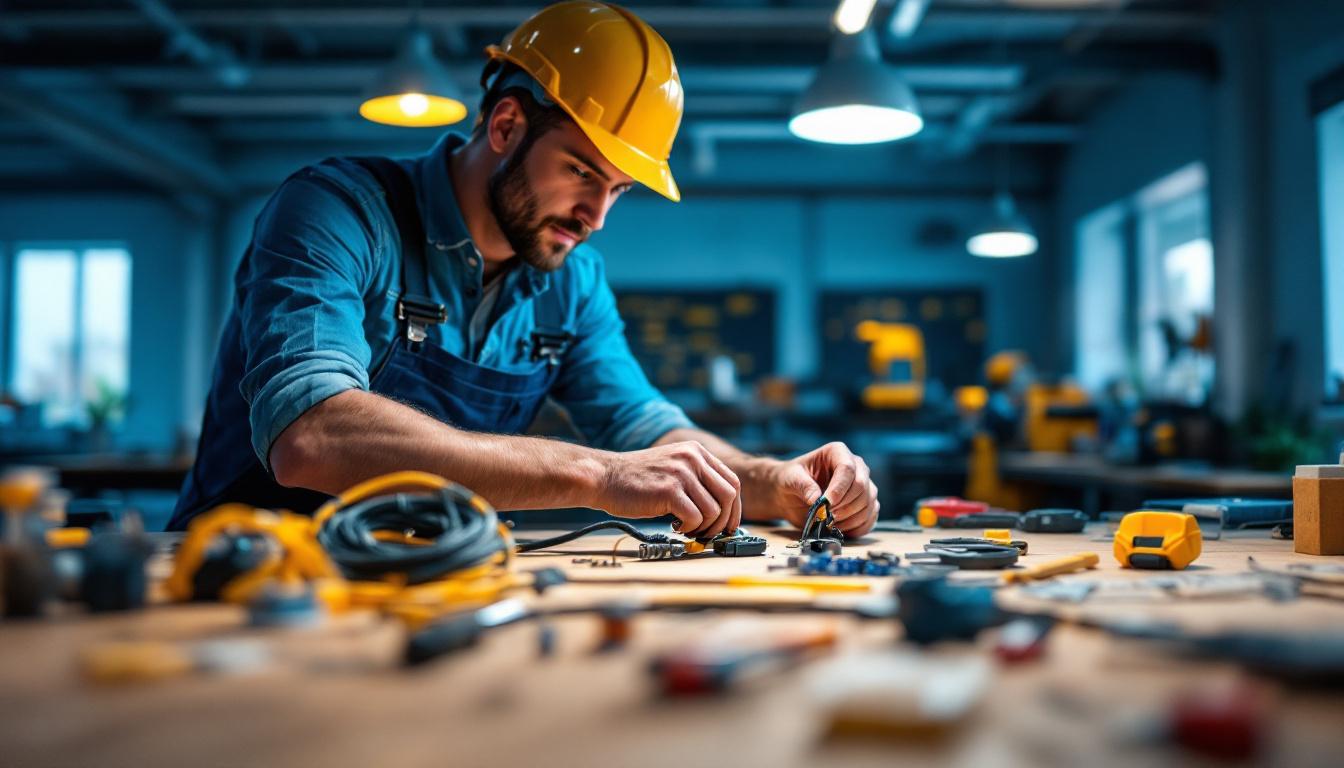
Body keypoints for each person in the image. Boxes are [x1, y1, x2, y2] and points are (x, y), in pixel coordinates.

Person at [169, 0, 880, 540]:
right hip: (244, 575)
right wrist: (598, 474)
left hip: (428, 575)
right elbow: (311, 435)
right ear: (506, 127)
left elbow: (644, 427)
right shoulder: (335, 212)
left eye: (618, 189)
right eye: (579, 170)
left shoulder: (572, 282)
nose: (596, 213)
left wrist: (774, 481)